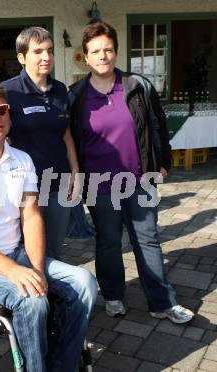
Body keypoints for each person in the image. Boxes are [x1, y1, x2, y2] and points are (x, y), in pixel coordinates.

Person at [0, 78, 97, 372]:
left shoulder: (21, 160)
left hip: (17, 253)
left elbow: (31, 216)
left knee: (85, 283)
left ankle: (60, 364)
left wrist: (35, 269)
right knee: (33, 300)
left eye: (2, 109)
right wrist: (13, 271)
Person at [68, 21, 194, 324]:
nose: (103, 56)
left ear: (116, 51)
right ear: (86, 57)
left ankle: (162, 302)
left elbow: (158, 124)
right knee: (109, 241)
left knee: (147, 239)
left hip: (139, 180)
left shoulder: (138, 85)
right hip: (98, 185)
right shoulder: (76, 96)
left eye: (108, 49)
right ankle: (113, 296)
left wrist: (163, 161)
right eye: (95, 51)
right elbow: (69, 137)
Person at [1, 27, 81, 260]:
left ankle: (54, 294)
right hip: (25, 186)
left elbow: (65, 133)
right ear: (21, 57)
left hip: (59, 181)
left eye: (49, 51)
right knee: (27, 250)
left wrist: (75, 170)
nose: (46, 57)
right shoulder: (8, 92)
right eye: (38, 52)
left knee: (55, 247)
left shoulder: (60, 91)